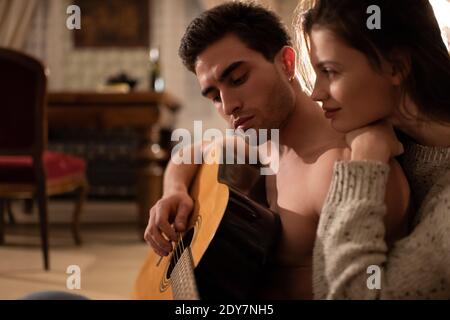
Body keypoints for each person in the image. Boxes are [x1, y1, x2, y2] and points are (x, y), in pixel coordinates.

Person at [144, 1, 410, 299]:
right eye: (214, 96)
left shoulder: (342, 169)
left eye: (238, 79)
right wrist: (175, 190)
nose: (228, 105)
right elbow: (193, 150)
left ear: (286, 63)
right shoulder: (265, 141)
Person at [298, 0, 450, 299]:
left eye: (329, 71)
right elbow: (257, 138)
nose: (315, 93)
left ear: (396, 67)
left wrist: (366, 159)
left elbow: (348, 293)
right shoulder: (382, 126)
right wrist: (179, 173)